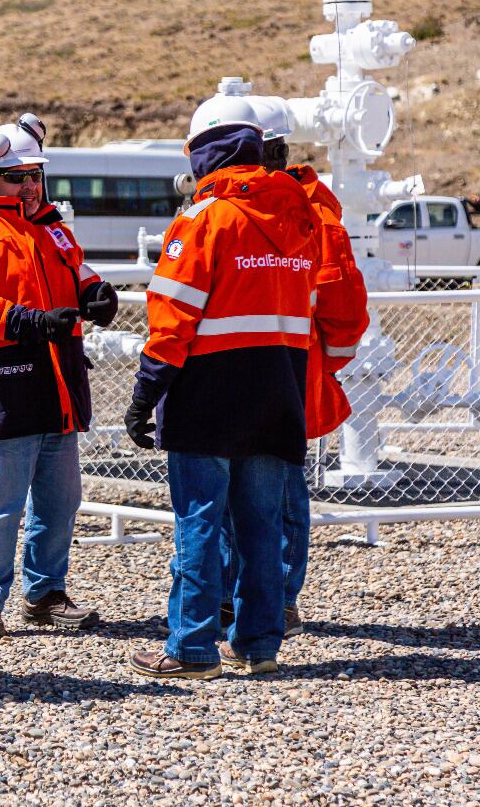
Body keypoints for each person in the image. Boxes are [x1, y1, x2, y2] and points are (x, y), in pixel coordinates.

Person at [124, 95, 320, 679]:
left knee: (200, 523)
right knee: (262, 527)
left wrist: (144, 394)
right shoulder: (299, 215)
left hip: (208, 393)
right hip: (277, 391)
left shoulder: (203, 219)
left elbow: (172, 318)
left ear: (206, 153)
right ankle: (259, 645)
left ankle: (190, 648)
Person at [0, 113, 119, 638]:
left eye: (35, 175)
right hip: (4, 381)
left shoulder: (51, 227)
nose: (31, 184)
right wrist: (34, 321)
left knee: (61, 502)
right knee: (1, 502)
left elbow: (79, 271)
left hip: (55, 382)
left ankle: (44, 594)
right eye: (20, 176)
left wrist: (95, 293)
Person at [216, 103, 369, 638]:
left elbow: (343, 309)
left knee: (268, 492)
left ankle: (267, 599)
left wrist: (316, 367)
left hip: (268, 373)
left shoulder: (301, 215)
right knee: (261, 492)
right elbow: (344, 315)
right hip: (274, 370)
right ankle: (254, 599)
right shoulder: (297, 212)